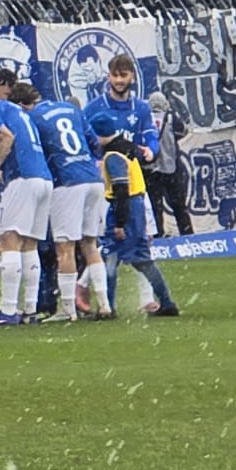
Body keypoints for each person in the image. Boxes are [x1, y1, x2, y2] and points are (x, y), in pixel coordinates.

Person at [23, 85, 112, 322]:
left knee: (65, 247)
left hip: (66, 181)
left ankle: (67, 310)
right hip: (92, 179)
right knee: (90, 244)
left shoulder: (32, 117)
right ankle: (104, 305)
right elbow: (94, 143)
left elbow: (34, 151)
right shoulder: (71, 109)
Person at [0, 76, 54, 326]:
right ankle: (30, 309)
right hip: (44, 178)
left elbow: (6, 138)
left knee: (9, 239)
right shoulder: (24, 115)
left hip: (22, 177)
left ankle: (8, 309)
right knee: (29, 244)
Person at [92, 115, 179, 318]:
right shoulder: (128, 148)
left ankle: (108, 307)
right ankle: (166, 302)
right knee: (141, 259)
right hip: (137, 204)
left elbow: (121, 188)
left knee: (112, 257)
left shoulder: (113, 155)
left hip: (125, 206)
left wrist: (120, 222)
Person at [82, 55, 160, 164]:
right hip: (104, 173)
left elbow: (151, 136)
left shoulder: (142, 108)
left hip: (135, 170)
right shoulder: (92, 109)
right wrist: (94, 162)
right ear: (108, 76)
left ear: (132, 76)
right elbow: (83, 142)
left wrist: (151, 151)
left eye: (123, 75)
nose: (119, 80)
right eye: (115, 75)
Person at [146, 92, 195, 237]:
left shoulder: (145, 119)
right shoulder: (171, 117)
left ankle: (158, 235)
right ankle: (187, 234)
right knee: (179, 205)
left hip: (151, 168)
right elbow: (184, 131)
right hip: (171, 167)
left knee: (156, 205)